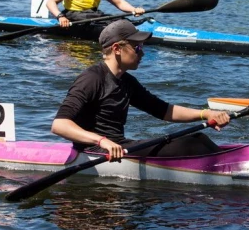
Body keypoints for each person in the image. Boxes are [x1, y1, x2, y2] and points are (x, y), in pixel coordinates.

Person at [51, 19, 231, 161]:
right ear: (117, 49)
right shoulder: (92, 78)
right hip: (98, 151)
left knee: (198, 139)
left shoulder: (127, 81)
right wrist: (101, 141)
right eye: (137, 47)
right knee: (193, 143)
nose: (142, 53)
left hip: (119, 147)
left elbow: (164, 110)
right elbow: (59, 125)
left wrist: (206, 114)